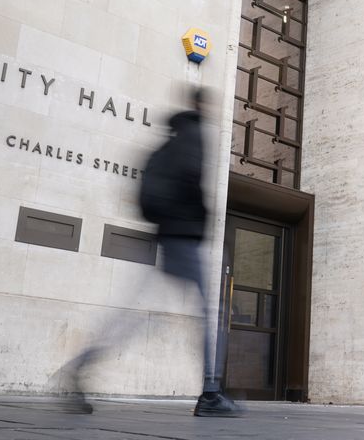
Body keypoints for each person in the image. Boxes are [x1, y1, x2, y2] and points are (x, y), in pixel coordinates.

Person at [62, 87, 239, 416]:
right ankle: (211, 392)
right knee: (209, 315)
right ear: (201, 105)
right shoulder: (194, 135)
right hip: (184, 236)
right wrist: (203, 219)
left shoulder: (170, 140)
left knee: (135, 313)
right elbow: (191, 179)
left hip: (168, 236)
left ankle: (83, 363)